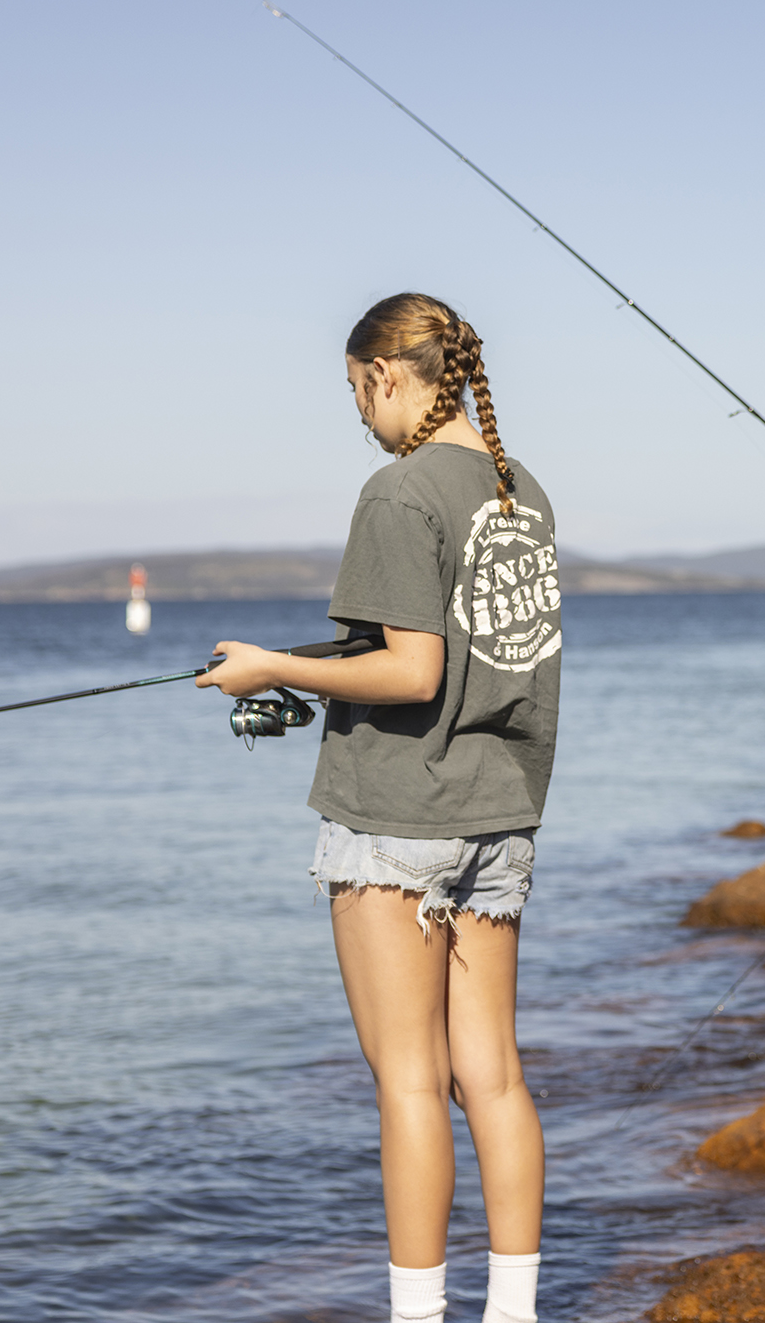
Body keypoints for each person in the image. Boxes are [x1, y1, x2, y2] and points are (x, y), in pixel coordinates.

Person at [199, 294, 558, 1323]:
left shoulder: (398, 492)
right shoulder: (518, 488)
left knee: (409, 1082)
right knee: (490, 1077)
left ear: (384, 374)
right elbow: (458, 657)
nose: (361, 416)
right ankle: (515, 1311)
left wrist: (267, 664)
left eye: (356, 394)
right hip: (500, 814)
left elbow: (409, 672)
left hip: (398, 819)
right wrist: (303, 666)